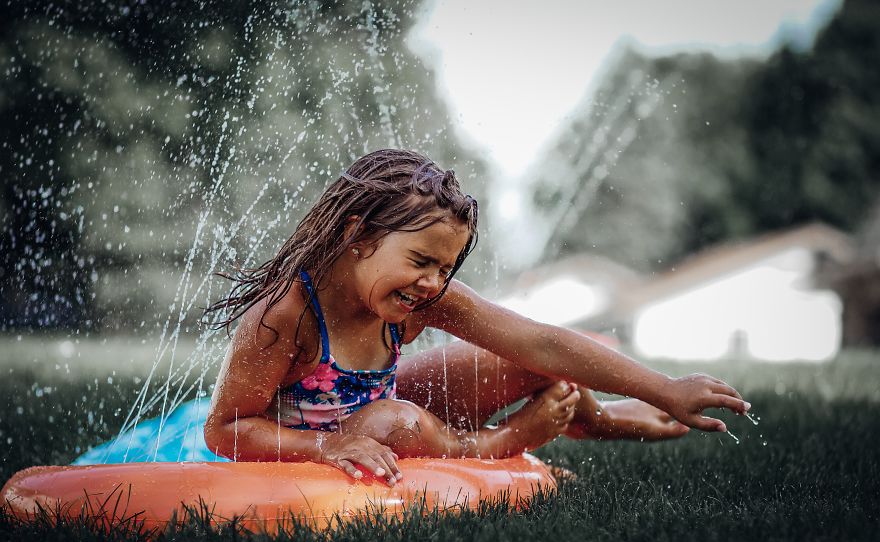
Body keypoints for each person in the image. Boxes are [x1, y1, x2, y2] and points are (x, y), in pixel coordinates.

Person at [201, 149, 750, 486]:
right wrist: (326, 446)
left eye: (445, 267)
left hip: (378, 409)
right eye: (420, 261)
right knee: (395, 421)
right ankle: (495, 443)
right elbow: (223, 431)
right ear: (357, 237)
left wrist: (665, 388)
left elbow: (540, 343)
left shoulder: (420, 297)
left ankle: (595, 419)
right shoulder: (283, 318)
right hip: (320, 435)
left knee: (533, 360)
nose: (433, 284)